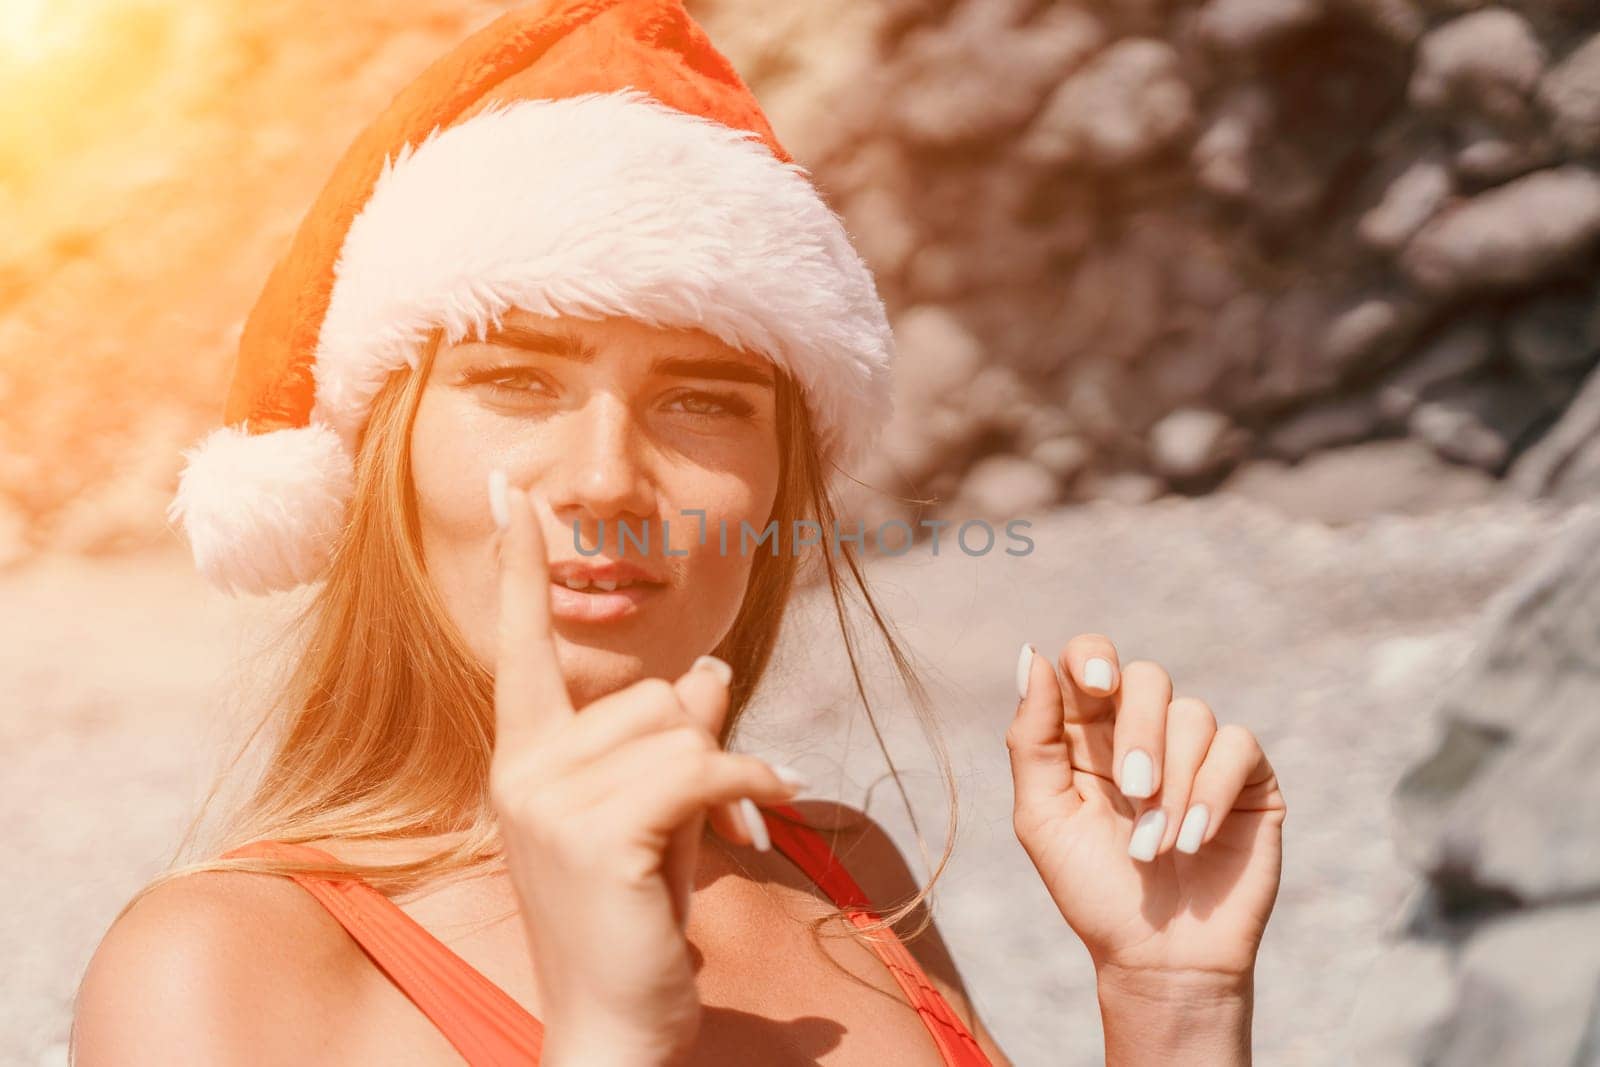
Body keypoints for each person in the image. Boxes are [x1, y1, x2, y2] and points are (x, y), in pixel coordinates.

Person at [72, 2, 1287, 1064]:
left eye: (703, 401)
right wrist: (603, 1035)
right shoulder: (217, 965)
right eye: (517, 383)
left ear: (775, 485)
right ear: (385, 459)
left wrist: (1170, 1002)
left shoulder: (842, 872)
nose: (607, 477)